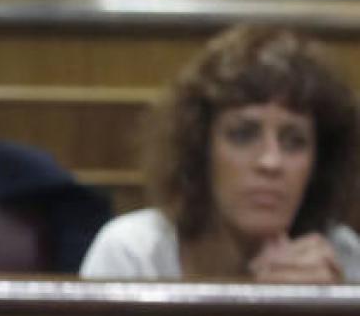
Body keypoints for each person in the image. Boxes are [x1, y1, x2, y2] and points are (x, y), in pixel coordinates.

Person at [81, 25, 360, 281]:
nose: (270, 162)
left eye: (294, 142)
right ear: (200, 149)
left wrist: (322, 315)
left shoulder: (340, 255)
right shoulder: (133, 253)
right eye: (243, 135)